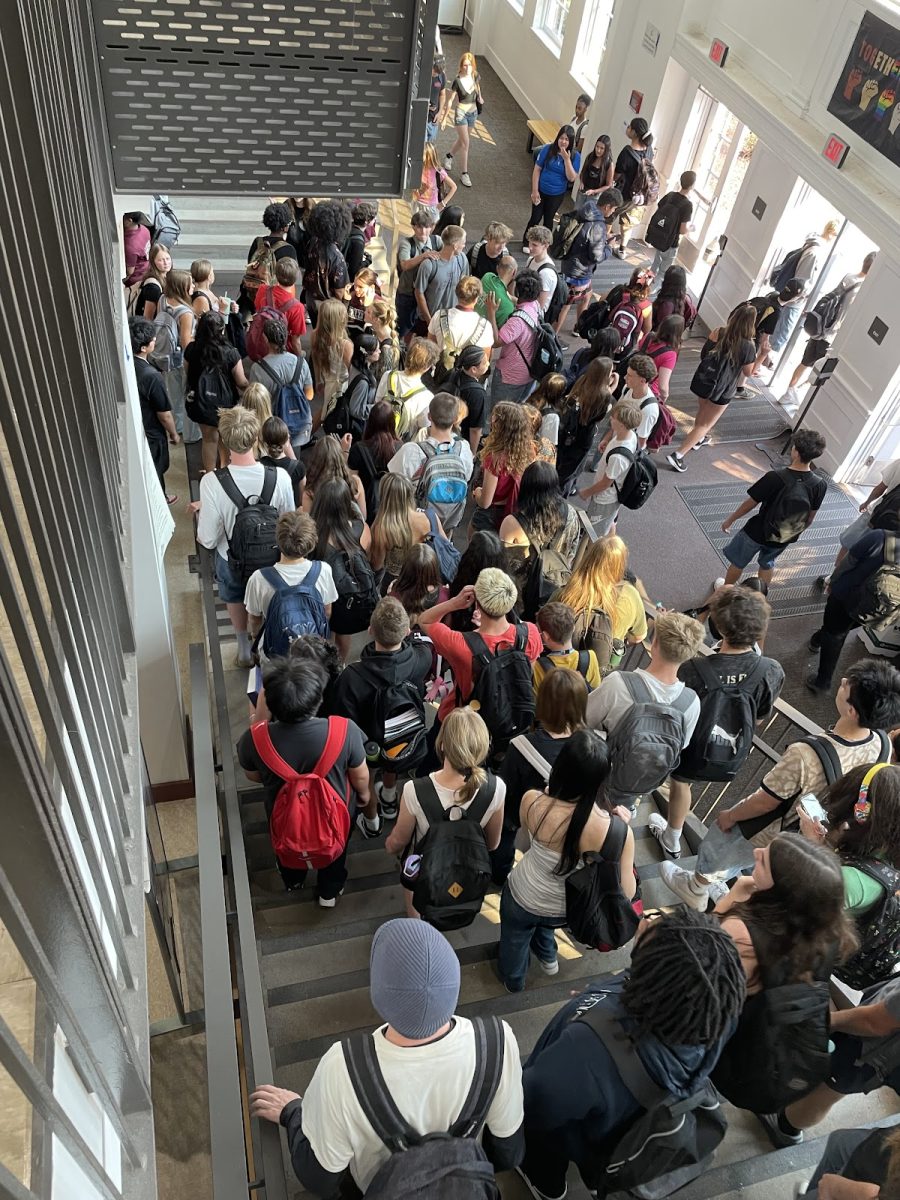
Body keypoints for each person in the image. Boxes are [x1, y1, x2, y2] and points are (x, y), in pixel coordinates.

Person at [250, 917, 525, 1195]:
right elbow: (507, 1152)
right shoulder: (497, 1042)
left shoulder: (343, 1069)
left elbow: (319, 1176)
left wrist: (294, 1112)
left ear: (379, 992)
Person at [517, 908, 746, 1200]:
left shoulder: (587, 1051)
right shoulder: (714, 1013)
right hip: (618, 1137)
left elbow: (533, 1107)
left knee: (541, 1150)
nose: (648, 922)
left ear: (654, 980)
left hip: (571, 1132)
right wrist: (602, 995)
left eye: (656, 935)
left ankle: (547, 1187)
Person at [660, 658, 900, 909]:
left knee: (723, 851)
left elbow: (766, 801)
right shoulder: (881, 744)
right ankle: (726, 886)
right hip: (810, 836)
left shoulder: (806, 753)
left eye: (846, 686)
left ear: (852, 711)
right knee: (761, 867)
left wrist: (731, 815)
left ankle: (696, 887)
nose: (840, 681)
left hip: (768, 828)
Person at [648, 587, 784, 861]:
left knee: (680, 784)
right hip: (733, 754)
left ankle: (672, 836)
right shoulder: (770, 670)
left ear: (719, 628)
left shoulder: (693, 669)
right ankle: (674, 841)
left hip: (691, 748)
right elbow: (759, 716)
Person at [498, 729, 635, 994]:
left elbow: (526, 843)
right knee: (546, 925)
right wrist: (620, 831)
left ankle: (513, 981)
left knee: (514, 940)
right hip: (568, 909)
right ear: (600, 781)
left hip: (522, 894)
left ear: (560, 766)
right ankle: (549, 958)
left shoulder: (532, 801)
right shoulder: (616, 832)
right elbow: (626, 892)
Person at [236, 657, 374, 905]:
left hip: (284, 816)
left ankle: (293, 880)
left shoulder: (254, 739)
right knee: (335, 852)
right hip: (337, 812)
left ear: (270, 702)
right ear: (318, 698)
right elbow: (360, 776)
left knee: (288, 848)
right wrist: (363, 798)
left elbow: (252, 775)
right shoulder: (345, 731)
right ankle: (328, 893)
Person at [195, 407, 295, 665]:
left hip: (232, 560)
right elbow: (289, 521)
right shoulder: (280, 477)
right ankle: (270, 643)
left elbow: (207, 538)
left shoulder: (211, 483)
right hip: (273, 557)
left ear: (224, 441)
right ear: (255, 439)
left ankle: (242, 648)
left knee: (235, 596)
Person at [384, 706, 505, 915]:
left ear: (441, 745)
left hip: (426, 870)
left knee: (412, 890)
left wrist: (390, 846)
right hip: (466, 870)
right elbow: (493, 844)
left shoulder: (415, 790)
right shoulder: (496, 788)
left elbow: (399, 841)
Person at [328, 595, 432, 822]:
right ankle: (389, 795)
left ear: (370, 631)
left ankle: (372, 821)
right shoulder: (422, 658)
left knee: (367, 776)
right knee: (394, 755)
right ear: (406, 632)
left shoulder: (352, 677)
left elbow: (341, 720)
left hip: (369, 746)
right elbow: (426, 636)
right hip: (403, 738)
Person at [586, 611, 704, 808]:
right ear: (689, 655)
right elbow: (680, 746)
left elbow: (584, 719)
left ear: (654, 643)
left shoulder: (619, 684)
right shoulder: (691, 703)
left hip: (596, 779)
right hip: (634, 789)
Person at [419, 567, 543, 737]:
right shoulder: (530, 633)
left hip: (462, 722)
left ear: (477, 603)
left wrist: (455, 602)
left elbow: (424, 620)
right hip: (508, 717)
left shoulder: (461, 644)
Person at [492, 667, 589, 886]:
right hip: (567, 822)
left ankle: (500, 876)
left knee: (505, 841)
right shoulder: (591, 744)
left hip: (523, 818)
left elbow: (506, 794)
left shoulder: (521, 747)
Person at [720, 430, 828, 589]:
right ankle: (759, 596)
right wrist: (791, 532)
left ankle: (725, 591)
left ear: (796, 452)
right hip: (785, 535)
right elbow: (810, 518)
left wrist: (730, 520)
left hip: (757, 531)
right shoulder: (820, 484)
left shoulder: (775, 477)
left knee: (738, 562)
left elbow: (750, 503)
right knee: (767, 564)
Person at [666, 303, 758, 471]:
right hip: (724, 389)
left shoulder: (718, 332)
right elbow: (748, 372)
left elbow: (703, 355)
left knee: (702, 413)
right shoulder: (748, 346)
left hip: (706, 380)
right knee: (706, 424)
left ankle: (698, 439)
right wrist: (763, 354)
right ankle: (678, 455)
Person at [807, 529, 900, 693]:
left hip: (846, 596)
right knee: (839, 628)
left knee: (834, 634)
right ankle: (817, 639)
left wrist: (832, 581)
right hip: (878, 609)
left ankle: (822, 682)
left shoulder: (879, 538)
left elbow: (848, 562)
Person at [780, 251, 876, 408]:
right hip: (831, 335)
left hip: (820, 326)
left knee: (805, 361)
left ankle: (789, 392)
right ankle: (804, 402)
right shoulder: (861, 289)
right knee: (819, 370)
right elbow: (845, 314)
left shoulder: (848, 277)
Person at [244, 511, 336, 663]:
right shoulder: (323, 570)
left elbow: (254, 619)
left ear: (278, 541)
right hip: (312, 651)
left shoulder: (259, 578)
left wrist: (255, 637)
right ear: (311, 543)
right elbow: (327, 611)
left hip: (276, 655)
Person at [555, 534, 648, 671]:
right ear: (620, 564)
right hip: (597, 672)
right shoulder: (630, 595)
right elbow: (639, 636)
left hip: (560, 664)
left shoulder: (569, 590)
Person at [499, 461, 581, 606]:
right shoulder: (572, 514)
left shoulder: (513, 523)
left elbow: (506, 566)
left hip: (521, 597)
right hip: (555, 590)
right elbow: (571, 553)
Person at [310, 479, 374, 659]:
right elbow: (367, 556)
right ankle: (340, 665)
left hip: (320, 596)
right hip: (348, 598)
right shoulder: (362, 529)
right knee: (343, 635)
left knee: (323, 635)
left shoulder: (313, 534)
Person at [818, 452, 900, 589]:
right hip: (894, 532)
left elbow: (881, 488)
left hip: (877, 515)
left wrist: (867, 502)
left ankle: (832, 579)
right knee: (880, 560)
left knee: (850, 543)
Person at [184, 310, 248, 473]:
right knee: (225, 437)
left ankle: (210, 473)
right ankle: (225, 469)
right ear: (222, 330)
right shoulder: (231, 352)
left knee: (208, 439)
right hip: (226, 404)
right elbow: (241, 382)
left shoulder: (192, 349)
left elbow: (188, 373)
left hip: (201, 402)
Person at [553, 190, 622, 333]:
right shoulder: (598, 225)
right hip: (580, 271)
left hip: (568, 262)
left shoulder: (586, 209)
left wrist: (603, 238)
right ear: (607, 206)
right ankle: (553, 335)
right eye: (614, 208)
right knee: (567, 303)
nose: (613, 212)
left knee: (586, 296)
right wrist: (609, 247)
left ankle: (579, 328)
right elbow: (596, 256)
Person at [769, 220, 840, 357]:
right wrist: (802, 296)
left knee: (780, 329)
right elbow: (802, 281)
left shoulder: (812, 245)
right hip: (794, 300)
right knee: (782, 332)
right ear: (831, 234)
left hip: (792, 298)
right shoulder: (815, 252)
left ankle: (764, 359)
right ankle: (763, 361)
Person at [129, 316, 179, 503]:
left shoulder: (127, 364)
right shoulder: (151, 376)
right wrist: (174, 434)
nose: (155, 340)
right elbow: (164, 414)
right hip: (151, 432)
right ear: (143, 347)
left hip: (137, 425)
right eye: (152, 340)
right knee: (155, 468)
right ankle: (159, 499)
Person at [388, 390, 474, 492]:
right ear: (455, 419)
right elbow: (467, 477)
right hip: (454, 508)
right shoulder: (464, 449)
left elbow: (393, 480)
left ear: (429, 416)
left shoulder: (410, 451)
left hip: (416, 507)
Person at [471, 401, 537, 533]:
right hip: (512, 512)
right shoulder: (529, 450)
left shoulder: (494, 458)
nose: (491, 420)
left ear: (500, 426)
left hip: (490, 514)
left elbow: (485, 502)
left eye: (494, 417)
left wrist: (477, 492)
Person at [579, 401, 642, 537]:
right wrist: (606, 440)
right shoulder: (630, 435)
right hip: (608, 496)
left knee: (595, 533)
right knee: (609, 522)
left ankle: (595, 552)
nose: (611, 418)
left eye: (614, 417)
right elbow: (613, 431)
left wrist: (587, 492)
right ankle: (610, 538)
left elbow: (605, 483)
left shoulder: (619, 457)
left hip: (605, 499)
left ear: (622, 424)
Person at [483, 270, 544, 409]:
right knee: (518, 410)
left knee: (500, 412)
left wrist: (491, 312)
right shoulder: (536, 307)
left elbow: (496, 341)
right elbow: (522, 303)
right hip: (530, 373)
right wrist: (509, 297)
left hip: (510, 376)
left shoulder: (517, 321)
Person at [556, 356, 616, 493]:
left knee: (565, 462)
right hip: (584, 438)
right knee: (573, 467)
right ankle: (563, 491)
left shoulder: (582, 380)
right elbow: (601, 415)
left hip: (569, 432)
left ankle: (563, 485)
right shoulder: (604, 396)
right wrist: (614, 384)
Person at [150, 268, 196, 439]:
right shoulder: (185, 312)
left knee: (171, 392)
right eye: (190, 284)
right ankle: (179, 428)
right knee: (181, 394)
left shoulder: (163, 299)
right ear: (182, 287)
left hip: (163, 353)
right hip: (179, 359)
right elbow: (185, 342)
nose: (193, 286)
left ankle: (174, 424)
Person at [369, 473, 438, 582]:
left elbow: (377, 565)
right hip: (426, 578)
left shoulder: (383, 528)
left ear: (385, 496)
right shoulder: (430, 517)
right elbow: (444, 544)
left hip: (396, 582)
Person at [524, 126, 581, 248]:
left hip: (556, 194)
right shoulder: (547, 149)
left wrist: (566, 159)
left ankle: (544, 244)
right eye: (561, 138)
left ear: (571, 141)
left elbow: (571, 178)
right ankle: (527, 241)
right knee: (535, 217)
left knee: (549, 219)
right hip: (541, 190)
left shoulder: (575, 156)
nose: (563, 141)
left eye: (567, 139)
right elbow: (537, 169)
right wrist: (534, 191)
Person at [427, 275, 492, 378]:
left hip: (441, 377)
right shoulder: (485, 327)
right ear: (476, 298)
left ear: (457, 294)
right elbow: (484, 360)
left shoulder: (439, 316)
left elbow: (430, 348)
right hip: (467, 382)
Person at [375, 337, 437, 440]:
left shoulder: (388, 375)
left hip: (378, 436)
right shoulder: (427, 397)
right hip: (402, 445)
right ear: (427, 367)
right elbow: (422, 428)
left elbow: (377, 403)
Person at [531, 602, 602, 692]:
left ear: (545, 636)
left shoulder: (538, 667)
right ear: (573, 628)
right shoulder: (590, 657)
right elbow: (596, 691)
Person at [395, 210, 442, 339]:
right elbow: (404, 265)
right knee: (402, 327)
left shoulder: (436, 241)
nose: (423, 231)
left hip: (427, 294)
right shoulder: (407, 243)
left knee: (422, 328)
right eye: (420, 227)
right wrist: (424, 256)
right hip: (407, 294)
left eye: (427, 227)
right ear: (413, 227)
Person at [347, 401, 399, 519]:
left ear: (370, 422)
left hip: (366, 507)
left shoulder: (358, 449)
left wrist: (345, 452)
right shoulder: (401, 447)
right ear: (392, 423)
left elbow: (352, 483)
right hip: (393, 509)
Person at [413, 224, 467, 335]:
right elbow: (419, 293)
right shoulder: (428, 265)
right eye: (463, 242)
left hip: (452, 321)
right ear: (455, 245)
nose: (464, 245)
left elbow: (465, 285)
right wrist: (429, 321)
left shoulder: (462, 259)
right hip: (429, 321)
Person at [612, 116, 655, 257]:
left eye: (630, 127)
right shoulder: (649, 150)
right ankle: (622, 250)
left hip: (624, 195)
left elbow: (616, 175)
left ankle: (603, 244)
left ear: (635, 133)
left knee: (608, 216)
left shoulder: (627, 152)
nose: (627, 128)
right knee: (627, 223)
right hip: (640, 197)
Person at [303, 200, 352, 322]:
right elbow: (341, 292)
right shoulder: (337, 258)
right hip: (328, 309)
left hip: (311, 299)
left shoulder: (313, 242)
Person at [444, 52, 484, 188]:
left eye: (470, 65)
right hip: (461, 113)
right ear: (461, 66)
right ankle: (464, 173)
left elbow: (478, 88)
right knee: (466, 143)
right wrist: (444, 117)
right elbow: (450, 100)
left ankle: (449, 156)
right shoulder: (457, 80)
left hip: (473, 113)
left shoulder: (475, 76)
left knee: (462, 140)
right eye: (465, 65)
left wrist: (480, 98)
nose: (467, 68)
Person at [302, 435, 366, 517]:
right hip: (350, 528)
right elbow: (363, 516)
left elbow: (309, 525)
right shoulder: (355, 483)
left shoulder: (310, 492)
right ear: (339, 457)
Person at [750, 279, 806, 373]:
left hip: (743, 329)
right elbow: (764, 340)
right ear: (795, 298)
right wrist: (762, 358)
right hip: (750, 340)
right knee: (745, 373)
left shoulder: (772, 294)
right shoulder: (776, 312)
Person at [648, 172, 696, 281]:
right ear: (692, 186)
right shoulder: (687, 205)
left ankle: (645, 285)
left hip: (659, 236)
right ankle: (653, 290)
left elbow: (659, 211)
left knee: (655, 265)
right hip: (671, 242)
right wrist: (691, 229)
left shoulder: (670, 195)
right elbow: (682, 230)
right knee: (663, 271)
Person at [446, 344, 490, 453]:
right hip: (461, 440)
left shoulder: (453, 373)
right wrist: (472, 453)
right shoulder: (478, 393)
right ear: (474, 369)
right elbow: (475, 429)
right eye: (485, 363)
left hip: (445, 431)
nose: (488, 364)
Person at [617, 353, 658, 450]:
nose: (625, 377)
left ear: (642, 381)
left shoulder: (648, 410)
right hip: (616, 435)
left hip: (624, 448)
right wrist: (607, 438)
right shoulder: (628, 388)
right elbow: (617, 415)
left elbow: (640, 443)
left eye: (630, 376)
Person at [260, 416, 305, 505]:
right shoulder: (298, 467)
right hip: (289, 516)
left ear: (265, 443)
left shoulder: (258, 465)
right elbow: (302, 499)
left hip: (265, 515)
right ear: (287, 439)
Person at [412, 142, 457, 218]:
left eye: (422, 155)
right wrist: (419, 191)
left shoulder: (438, 171)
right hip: (418, 204)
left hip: (431, 207)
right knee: (418, 228)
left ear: (430, 156)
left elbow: (454, 187)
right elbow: (414, 191)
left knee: (431, 229)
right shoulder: (417, 169)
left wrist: (443, 203)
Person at [476, 254, 517, 329]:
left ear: (497, 268)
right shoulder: (508, 307)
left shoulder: (487, 277)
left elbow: (507, 294)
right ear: (514, 273)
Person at [524, 225, 557, 315]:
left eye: (534, 245)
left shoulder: (546, 272)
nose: (530, 247)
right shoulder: (531, 259)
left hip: (535, 314)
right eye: (529, 243)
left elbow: (540, 305)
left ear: (545, 245)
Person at [343, 200, 378, 281]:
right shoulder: (358, 241)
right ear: (366, 221)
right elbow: (354, 270)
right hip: (346, 280)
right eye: (373, 218)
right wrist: (368, 261)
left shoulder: (347, 228)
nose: (375, 219)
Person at [134, 242, 171, 320]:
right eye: (160, 260)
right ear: (153, 262)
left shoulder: (167, 277)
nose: (166, 263)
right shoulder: (152, 287)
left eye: (167, 259)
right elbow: (148, 317)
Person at [368, 298, 402, 381]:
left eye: (368, 312)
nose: (364, 312)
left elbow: (381, 377)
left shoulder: (387, 348)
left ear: (376, 319)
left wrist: (368, 360)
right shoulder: (374, 331)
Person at [122, 211, 151, 288]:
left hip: (135, 279)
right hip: (145, 269)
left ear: (129, 220)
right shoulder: (144, 229)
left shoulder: (131, 245)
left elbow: (130, 271)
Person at [426, 54, 449, 143]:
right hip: (422, 118)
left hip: (434, 119)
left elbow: (442, 95)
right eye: (434, 71)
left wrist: (440, 113)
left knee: (431, 147)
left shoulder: (441, 76)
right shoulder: (421, 77)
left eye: (438, 72)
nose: (435, 74)